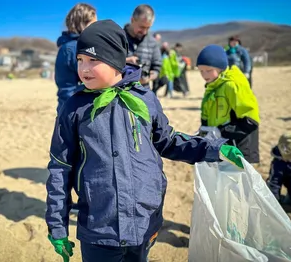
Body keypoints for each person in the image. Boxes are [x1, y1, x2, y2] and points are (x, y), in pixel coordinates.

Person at [45, 20, 244, 262]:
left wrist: (214, 148)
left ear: (115, 60)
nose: (84, 68)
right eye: (80, 60)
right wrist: (57, 225)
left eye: (93, 60)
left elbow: (168, 141)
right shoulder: (74, 108)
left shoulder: (145, 99)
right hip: (99, 228)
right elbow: (60, 167)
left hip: (145, 220)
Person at [196, 44, 260, 164]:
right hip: (223, 147)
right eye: (201, 71)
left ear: (221, 67)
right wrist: (204, 131)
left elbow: (251, 120)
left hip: (239, 150)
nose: (204, 75)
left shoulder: (232, 85)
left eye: (209, 70)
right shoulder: (212, 85)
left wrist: (222, 131)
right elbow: (206, 115)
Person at [54, 3, 97, 113]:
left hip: (68, 107)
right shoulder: (73, 48)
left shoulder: (69, 47)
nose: (97, 29)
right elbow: (69, 89)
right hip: (73, 109)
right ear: (82, 24)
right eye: (93, 25)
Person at [123, 5, 161, 88]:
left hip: (143, 91)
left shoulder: (153, 42)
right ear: (132, 20)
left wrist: (149, 77)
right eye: (142, 27)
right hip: (119, 91)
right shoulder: (117, 38)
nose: (144, 32)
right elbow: (106, 64)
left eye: (148, 28)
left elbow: (157, 67)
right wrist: (125, 61)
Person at [267, 132, 291, 207]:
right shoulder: (278, 162)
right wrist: (274, 204)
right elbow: (274, 183)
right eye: (287, 159)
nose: (290, 161)